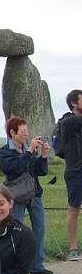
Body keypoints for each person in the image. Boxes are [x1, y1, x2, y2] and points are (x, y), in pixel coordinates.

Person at [0, 116, 52, 274]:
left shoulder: (30, 150)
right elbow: (14, 168)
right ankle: (16, 264)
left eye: (26, 131)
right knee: (16, 228)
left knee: (39, 228)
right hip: (17, 194)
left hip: (34, 193)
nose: (26, 135)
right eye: (22, 132)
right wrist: (29, 152)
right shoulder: (5, 151)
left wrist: (43, 156)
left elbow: (40, 172)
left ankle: (37, 264)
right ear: (12, 133)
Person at [58, 89, 82, 261]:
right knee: (74, 210)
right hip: (75, 171)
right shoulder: (67, 122)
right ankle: (73, 248)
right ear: (74, 103)